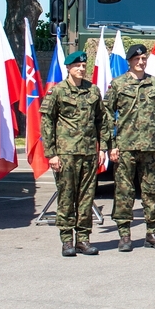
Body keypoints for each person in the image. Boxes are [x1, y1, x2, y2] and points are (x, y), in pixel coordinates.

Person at [40, 51, 111, 257]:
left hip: (89, 153)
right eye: (77, 65)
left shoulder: (93, 91)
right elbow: (47, 123)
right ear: (68, 68)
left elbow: (102, 121)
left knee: (86, 198)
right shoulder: (58, 92)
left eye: (83, 65)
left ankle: (83, 239)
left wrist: (103, 148)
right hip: (66, 154)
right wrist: (51, 154)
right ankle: (66, 240)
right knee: (66, 197)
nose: (81, 69)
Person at [106, 43, 155, 251]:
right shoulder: (118, 84)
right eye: (137, 59)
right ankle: (124, 235)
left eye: (143, 59)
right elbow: (107, 114)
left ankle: (152, 233)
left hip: (151, 148)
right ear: (129, 62)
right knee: (124, 193)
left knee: (151, 192)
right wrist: (111, 145)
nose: (140, 62)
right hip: (125, 147)